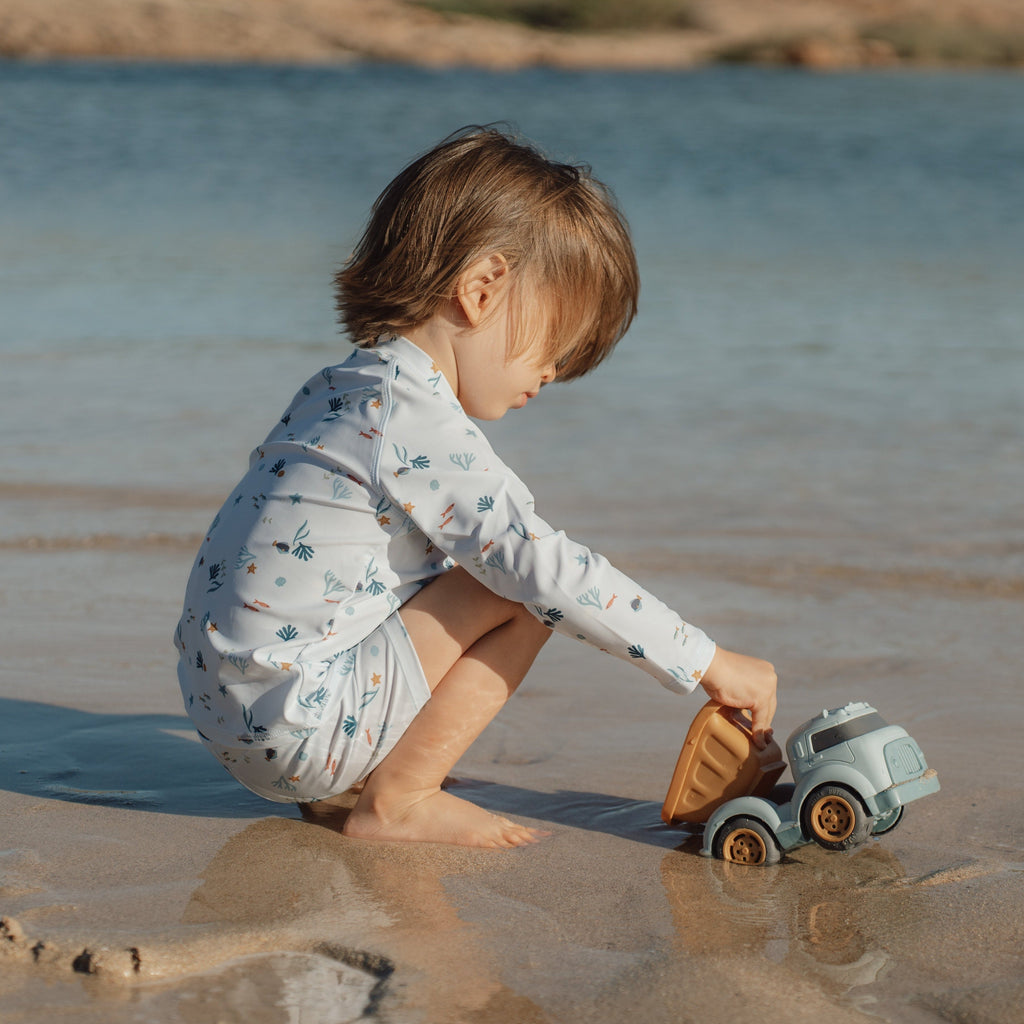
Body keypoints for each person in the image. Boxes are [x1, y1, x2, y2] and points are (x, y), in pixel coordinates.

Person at [175, 125, 777, 849]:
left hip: (228, 712)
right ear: (483, 288)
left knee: (465, 570)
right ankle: (399, 799)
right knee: (517, 591)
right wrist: (707, 661)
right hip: (299, 726)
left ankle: (360, 776)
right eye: (557, 344)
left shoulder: (343, 388)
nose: (553, 372)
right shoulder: (414, 419)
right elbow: (543, 568)